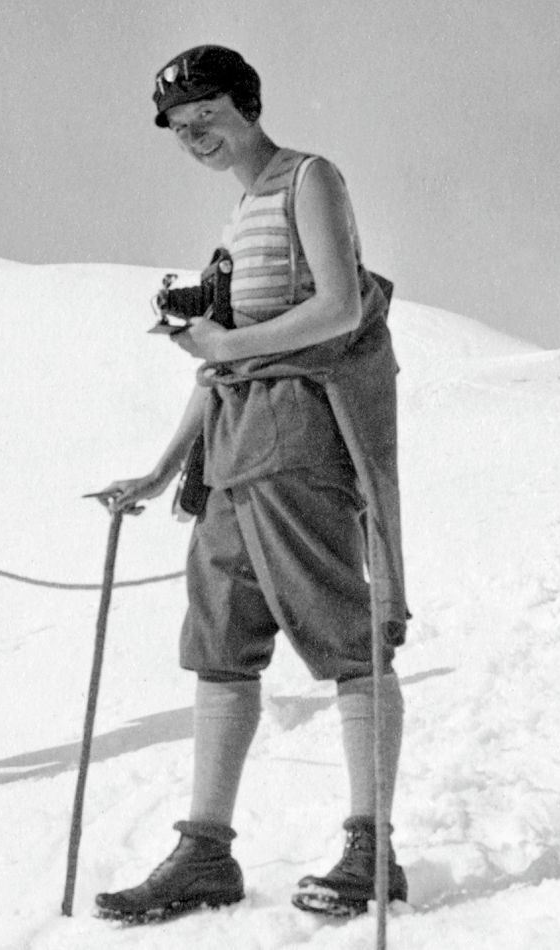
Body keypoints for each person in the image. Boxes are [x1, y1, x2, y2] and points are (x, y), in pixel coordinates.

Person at [93, 46, 410, 921]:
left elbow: (340, 308)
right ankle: (205, 853)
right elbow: (222, 368)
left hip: (301, 433)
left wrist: (225, 345)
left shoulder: (308, 177)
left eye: (206, 115)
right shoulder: (241, 211)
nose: (194, 134)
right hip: (235, 445)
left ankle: (370, 846)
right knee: (221, 641)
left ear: (245, 103)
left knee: (343, 632)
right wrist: (160, 470)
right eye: (180, 126)